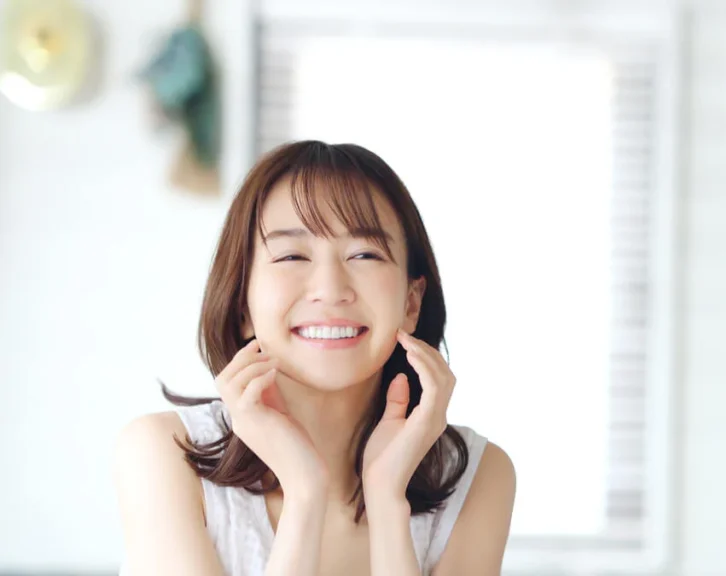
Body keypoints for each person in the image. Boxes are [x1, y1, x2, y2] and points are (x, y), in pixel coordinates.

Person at [114, 141, 517, 575]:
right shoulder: (165, 456)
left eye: (364, 254)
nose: (329, 288)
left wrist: (386, 506)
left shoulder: (479, 476)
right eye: (291, 255)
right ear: (242, 304)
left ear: (411, 303)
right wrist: (305, 495)